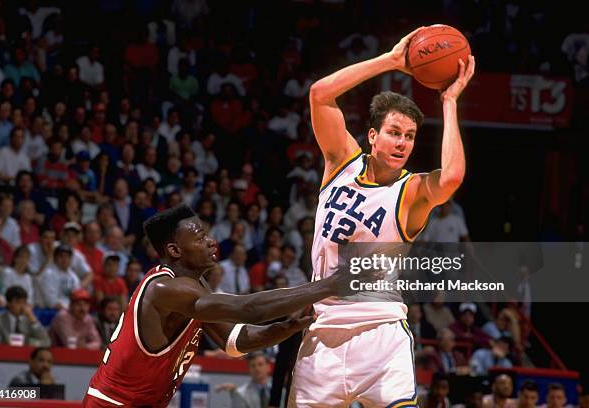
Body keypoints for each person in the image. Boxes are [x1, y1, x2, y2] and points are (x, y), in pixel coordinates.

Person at [288, 27, 475, 407]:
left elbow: (452, 176)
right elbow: (320, 94)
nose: (402, 143)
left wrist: (450, 102)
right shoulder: (341, 162)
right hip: (322, 332)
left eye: (409, 136)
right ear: (372, 136)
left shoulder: (411, 192)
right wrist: (391, 61)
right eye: (393, 132)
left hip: (381, 331)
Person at [84, 203, 365, 407]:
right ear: (174, 251)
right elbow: (247, 308)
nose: (211, 242)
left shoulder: (194, 286)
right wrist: (330, 285)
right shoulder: (165, 288)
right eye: (200, 238)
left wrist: (288, 327)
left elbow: (235, 341)